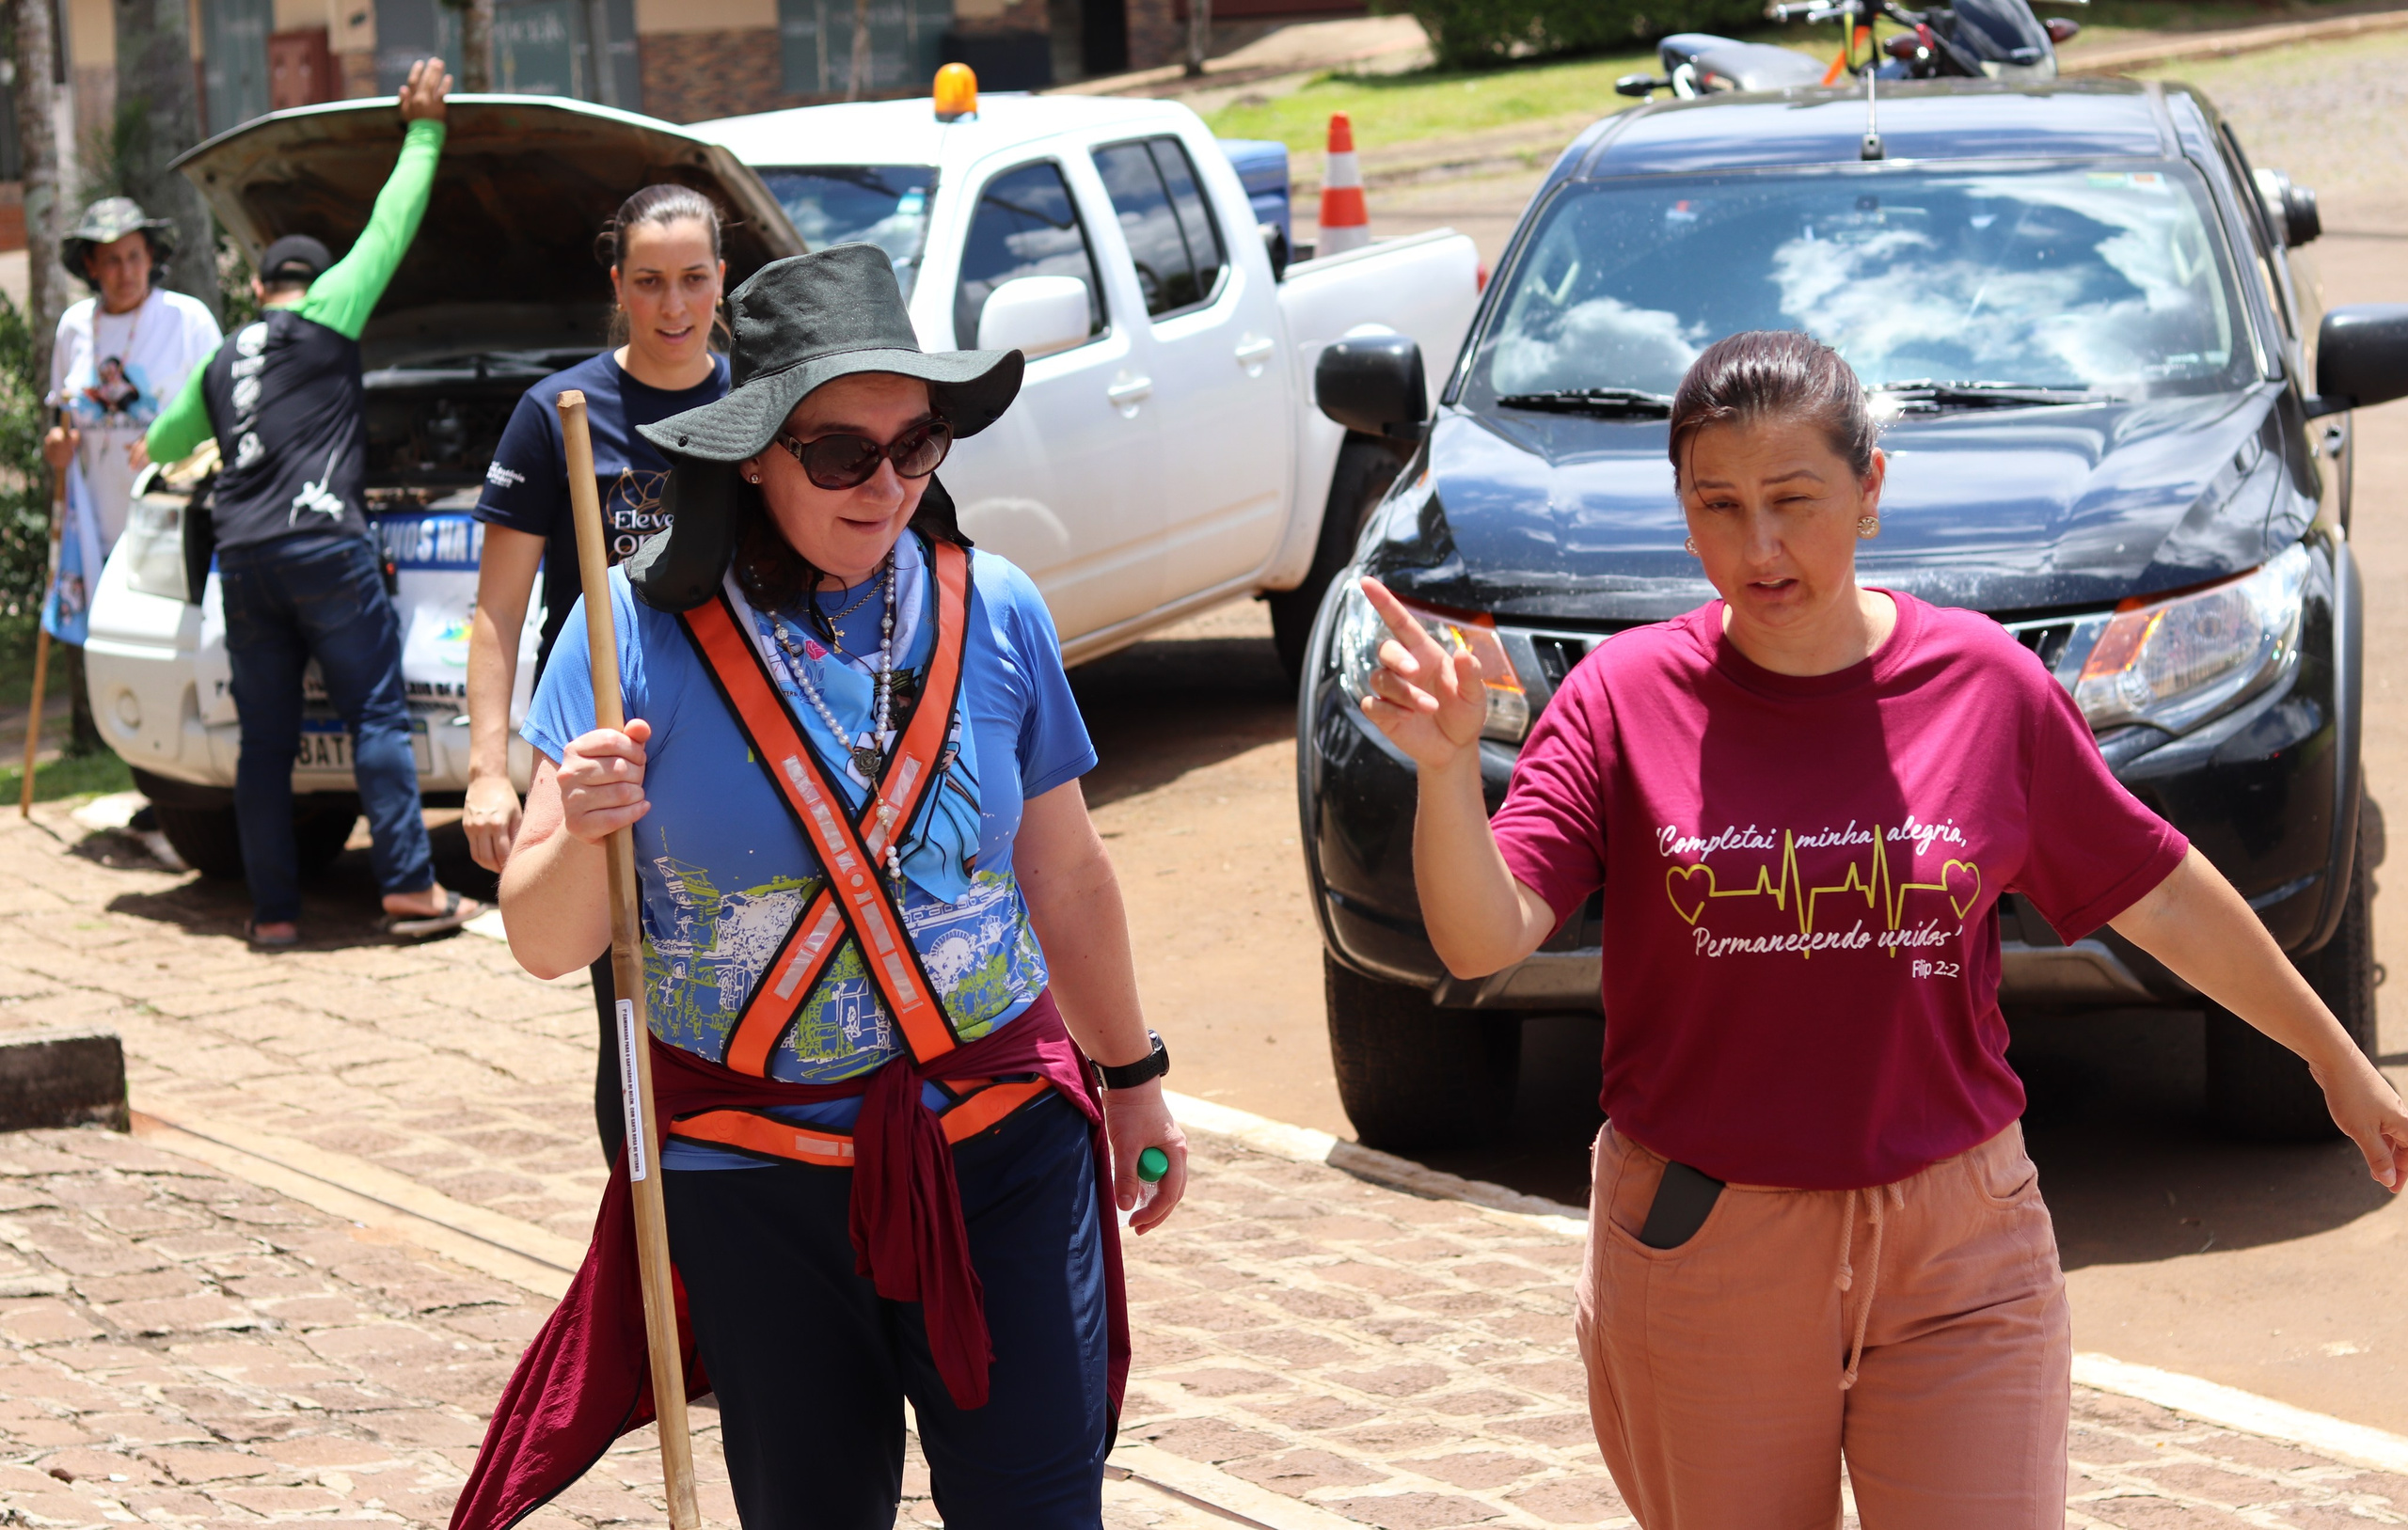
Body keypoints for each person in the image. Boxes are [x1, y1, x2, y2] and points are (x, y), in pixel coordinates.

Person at [1354, 330, 2408, 1530]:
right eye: (1720, 505)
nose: (1759, 547)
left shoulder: (1984, 684)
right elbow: (1484, 937)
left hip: (1958, 1245)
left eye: (1794, 500)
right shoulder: (1619, 700)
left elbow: (2154, 889)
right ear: (1684, 513)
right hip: (1706, 1248)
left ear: (1869, 491)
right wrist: (1446, 775)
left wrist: (2331, 1055)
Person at [471, 244, 1185, 1530]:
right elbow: (542, 936)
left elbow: (1065, 874)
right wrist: (585, 828)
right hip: (759, 1181)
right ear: (755, 452)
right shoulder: (627, 639)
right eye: (843, 456)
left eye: (916, 448)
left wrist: (1131, 1077)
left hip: (1002, 1148)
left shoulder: (1000, 606)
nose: (889, 483)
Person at [145, 57, 482, 947]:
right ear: (313, 283)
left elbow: (167, 443)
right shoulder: (333, 306)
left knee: (266, 740)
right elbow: (391, 225)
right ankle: (411, 891)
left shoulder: (222, 357)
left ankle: (274, 912)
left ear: (257, 289)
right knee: (373, 712)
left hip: (243, 556)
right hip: (324, 544)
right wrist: (424, 130)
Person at [465, 182, 731, 1166]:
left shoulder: (751, 408)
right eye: (650, 282)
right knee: (628, 1004)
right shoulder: (557, 415)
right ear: (617, 284)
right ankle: (641, 1221)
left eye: (693, 280)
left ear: (720, 281)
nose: (672, 307)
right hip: (604, 755)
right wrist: (490, 769)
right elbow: (497, 612)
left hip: (732, 740)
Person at [43, 197, 223, 747]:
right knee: (113, 644)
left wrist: (171, 443)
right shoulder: (75, 327)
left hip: (168, 520)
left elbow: (223, 409)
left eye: (134, 257)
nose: (124, 272)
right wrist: (55, 445)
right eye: (111, 260)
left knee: (168, 645)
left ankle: (171, 768)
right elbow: (60, 411)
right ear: (91, 267)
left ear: (152, 259)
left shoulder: (186, 319)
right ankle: (130, 753)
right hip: (94, 519)